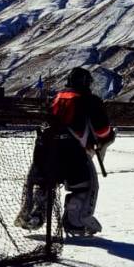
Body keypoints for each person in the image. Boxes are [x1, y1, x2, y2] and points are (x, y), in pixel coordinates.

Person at [50, 67, 115, 237]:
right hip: (75, 153)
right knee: (86, 187)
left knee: (43, 181)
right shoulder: (89, 100)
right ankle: (75, 222)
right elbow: (102, 130)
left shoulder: (57, 97)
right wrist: (109, 136)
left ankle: (34, 213)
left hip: (48, 150)